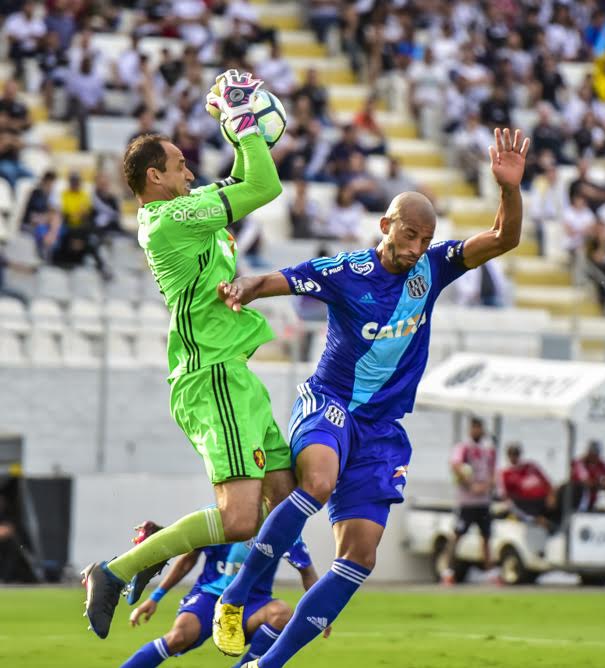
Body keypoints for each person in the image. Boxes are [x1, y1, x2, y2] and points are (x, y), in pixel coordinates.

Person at [209, 127, 531, 665]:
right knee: (317, 480)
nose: (416, 248)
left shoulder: (433, 268)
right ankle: (237, 596)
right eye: (409, 235)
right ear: (386, 225)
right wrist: (244, 287)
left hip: (382, 430)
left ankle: (266, 664)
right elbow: (278, 281)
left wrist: (509, 190)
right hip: (330, 403)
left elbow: (503, 238)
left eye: (425, 240)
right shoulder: (346, 271)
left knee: (359, 556)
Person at [82, 70, 296, 640]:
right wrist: (244, 122)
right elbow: (264, 189)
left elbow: (250, 176)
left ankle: (171, 558)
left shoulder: (189, 206)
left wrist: (241, 132)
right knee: (239, 519)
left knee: (288, 497)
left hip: (234, 373)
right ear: (155, 177)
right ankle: (115, 571)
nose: (191, 173)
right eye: (180, 166)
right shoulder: (170, 219)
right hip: (211, 376)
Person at [120, 523, 323, 668]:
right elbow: (187, 560)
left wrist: (321, 608)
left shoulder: (284, 524)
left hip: (252, 602)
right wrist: (155, 597)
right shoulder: (217, 518)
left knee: (281, 614)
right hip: (209, 596)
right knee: (178, 637)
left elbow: (306, 570)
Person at [441, 417, 498, 585]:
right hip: (466, 502)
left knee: (486, 537)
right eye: (474, 428)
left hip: (484, 502)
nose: (477, 431)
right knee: (457, 536)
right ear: (470, 429)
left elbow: (493, 472)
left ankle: (490, 572)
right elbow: (456, 466)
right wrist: (471, 485)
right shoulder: (463, 447)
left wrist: (486, 486)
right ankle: (448, 571)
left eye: (479, 428)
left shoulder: (488, 449)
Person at [499, 443, 555, 527]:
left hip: (543, 500)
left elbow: (547, 482)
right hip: (526, 503)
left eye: (516, 454)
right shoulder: (507, 473)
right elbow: (506, 496)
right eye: (512, 454)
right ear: (508, 456)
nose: (514, 457)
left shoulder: (531, 466)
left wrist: (551, 495)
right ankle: (538, 519)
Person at [570, 441, 605, 512]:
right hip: (577, 503)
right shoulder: (580, 464)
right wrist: (604, 485)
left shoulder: (600, 464)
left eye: (597, 454)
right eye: (593, 454)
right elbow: (587, 482)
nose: (595, 457)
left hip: (591, 503)